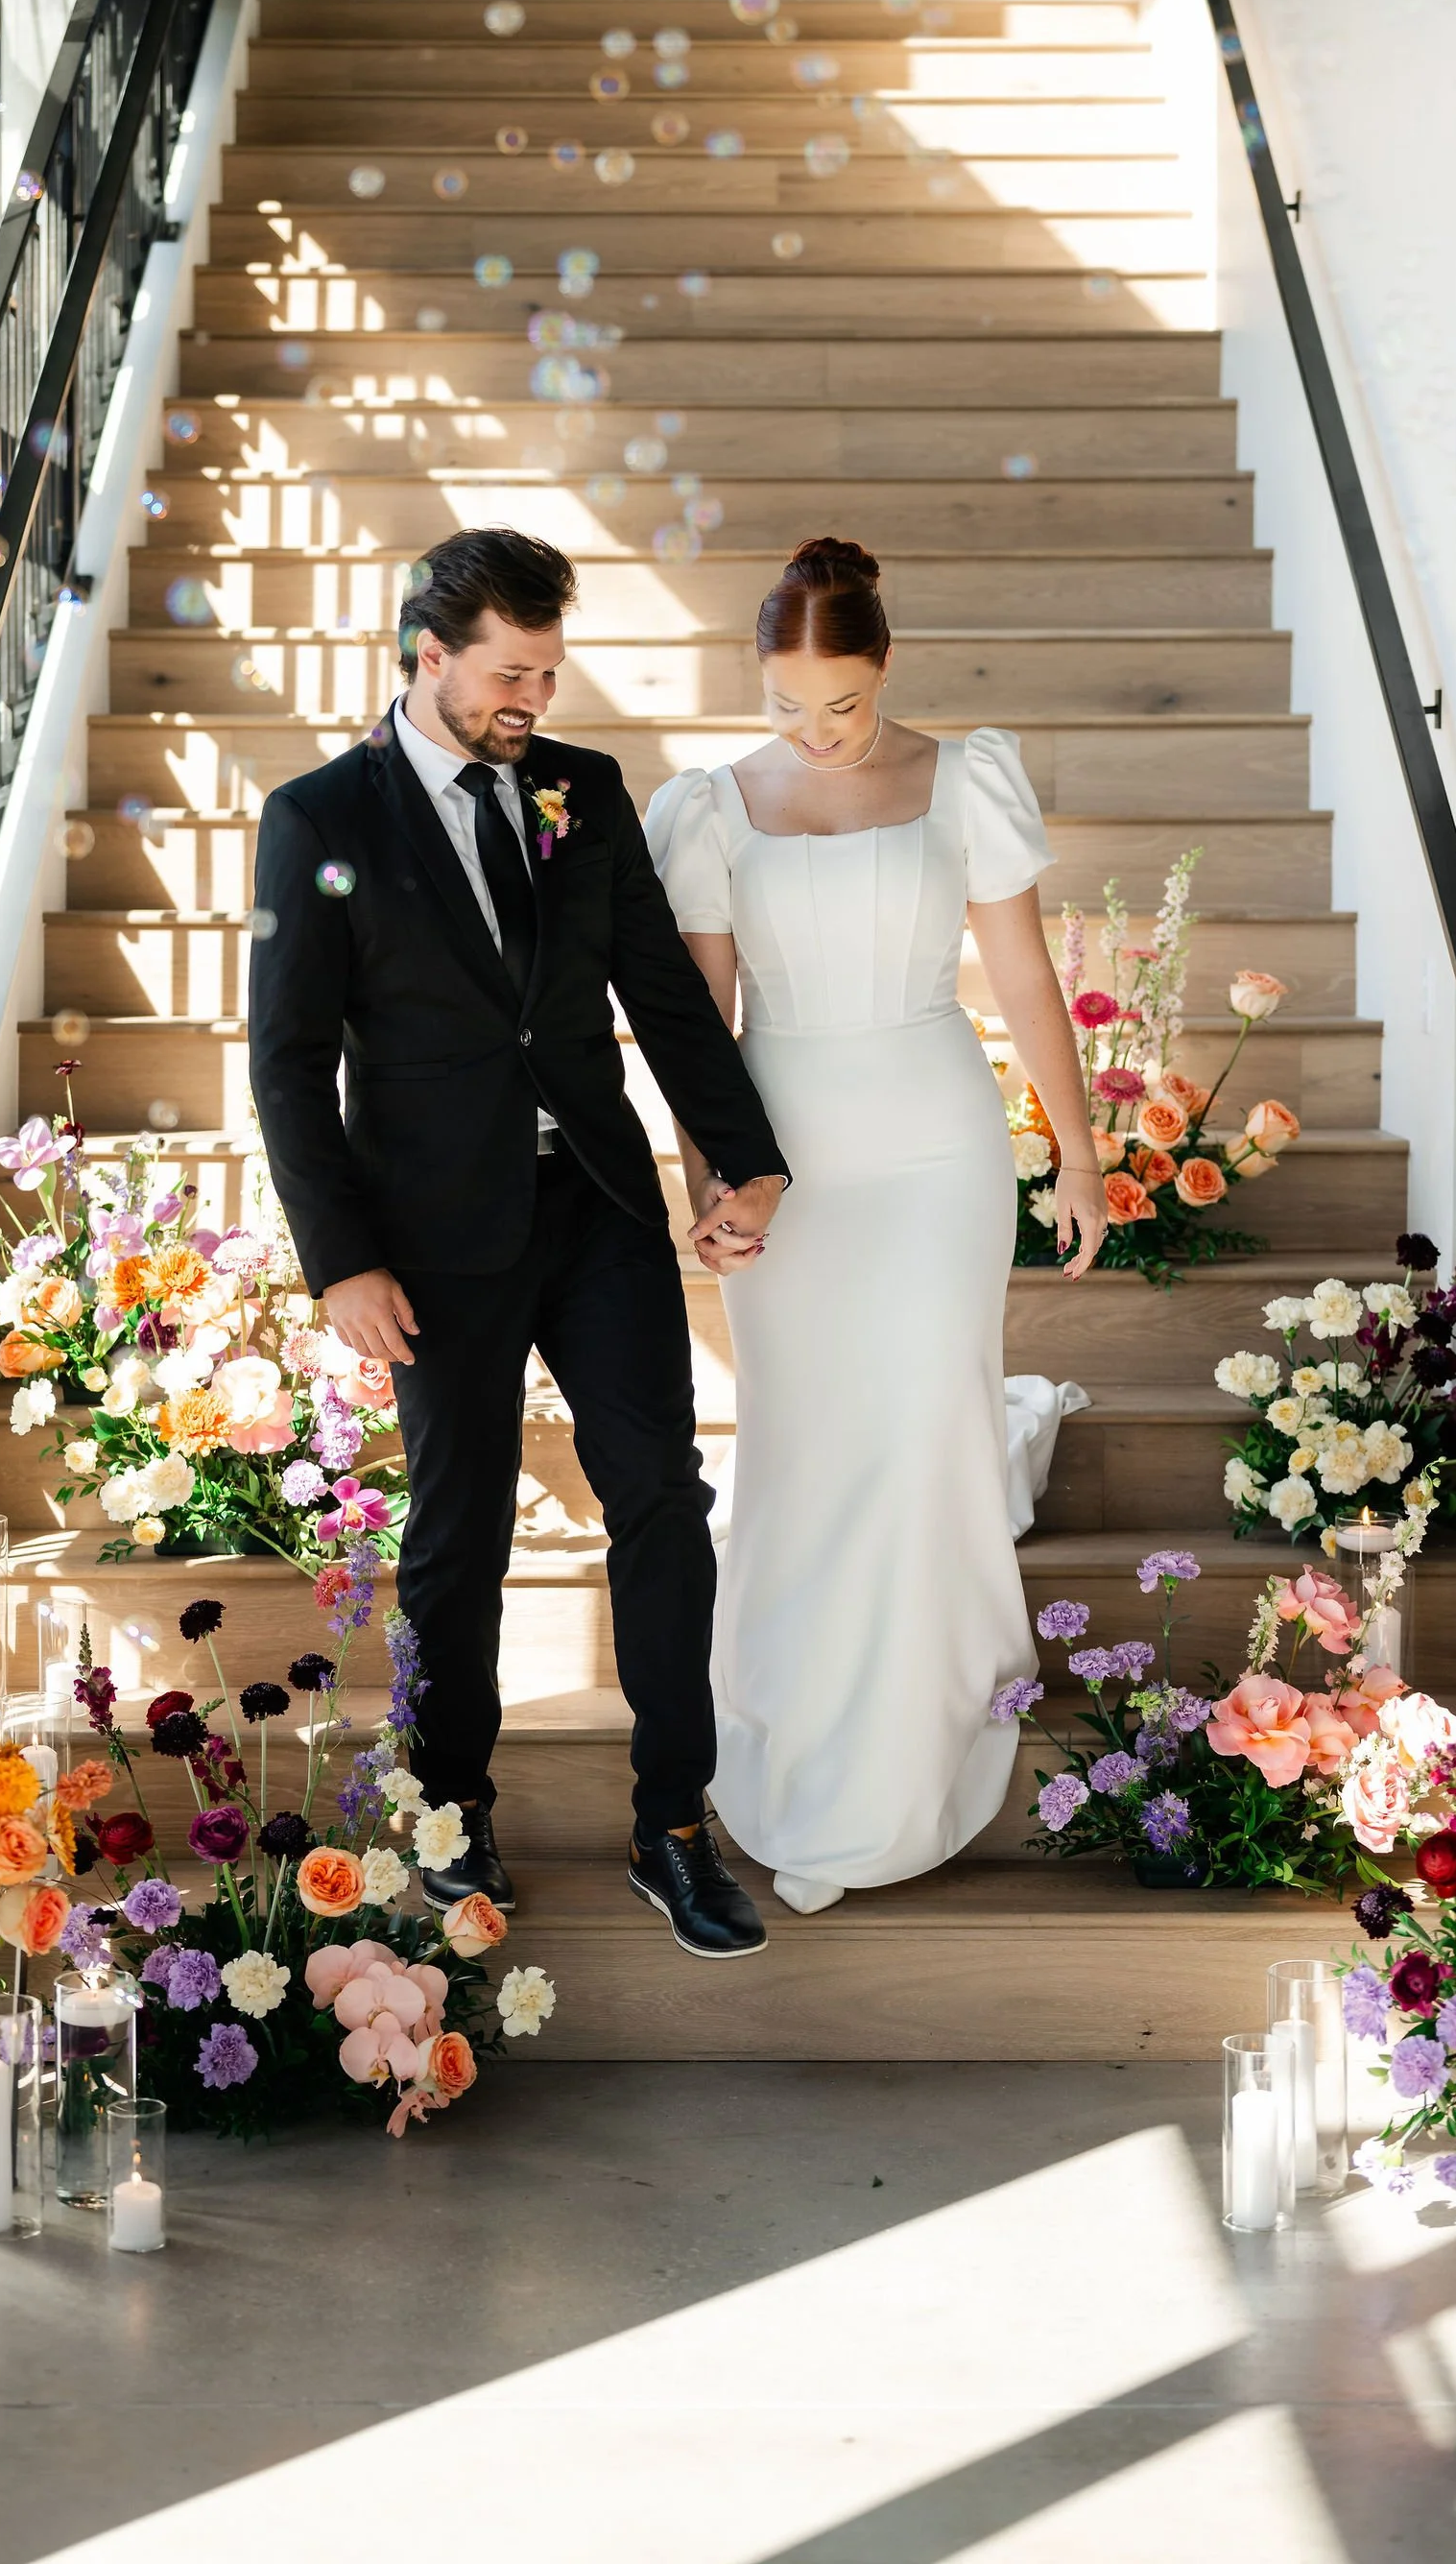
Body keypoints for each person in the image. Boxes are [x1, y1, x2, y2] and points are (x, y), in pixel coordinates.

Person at [249, 526, 792, 1958]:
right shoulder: (322, 821)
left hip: (596, 1206)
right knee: (458, 1532)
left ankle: (674, 1824)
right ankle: (452, 1812)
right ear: (428, 656)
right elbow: (290, 1063)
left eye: (548, 672)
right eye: (509, 673)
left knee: (662, 1503)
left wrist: (746, 1159)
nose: (533, 699)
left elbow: (665, 996)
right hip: (431, 1239)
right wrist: (342, 1261)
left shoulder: (581, 790)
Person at [645, 537, 1106, 1915]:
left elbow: (1024, 981)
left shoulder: (963, 779)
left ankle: (905, 1774)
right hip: (787, 1166)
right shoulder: (712, 808)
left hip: (936, 1153)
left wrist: (1076, 1160)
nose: (815, 731)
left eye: (839, 703)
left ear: (885, 667)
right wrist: (706, 1183)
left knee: (919, 1435)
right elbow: (699, 1028)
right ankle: (799, 1754)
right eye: (788, 704)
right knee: (806, 1447)